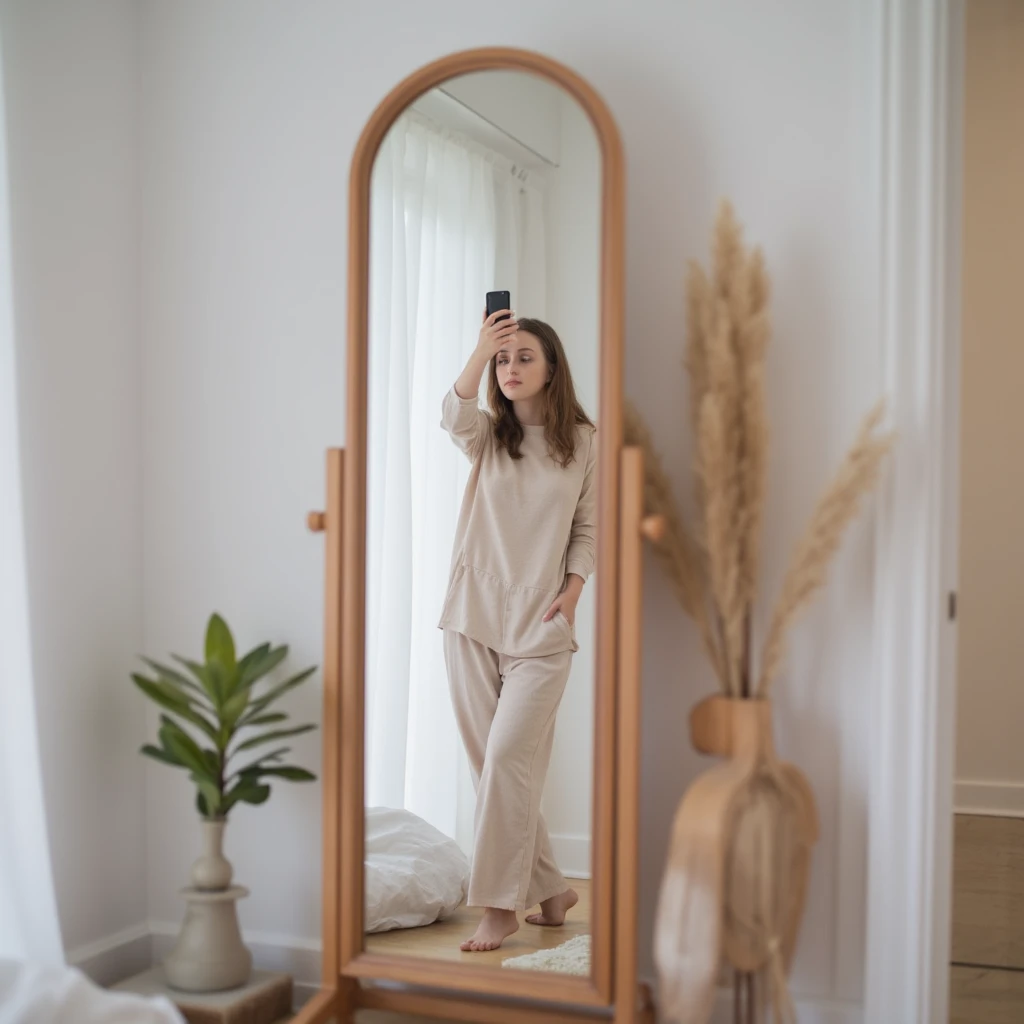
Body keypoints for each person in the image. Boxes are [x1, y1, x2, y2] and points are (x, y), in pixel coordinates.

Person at [437, 308, 597, 952]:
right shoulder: (486, 437)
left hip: (542, 624)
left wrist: (575, 590)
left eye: (524, 356)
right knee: (496, 769)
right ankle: (553, 890)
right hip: (472, 616)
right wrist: (480, 350)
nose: (511, 369)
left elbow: (588, 528)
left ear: (552, 367)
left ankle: (499, 906)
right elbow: (452, 413)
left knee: (508, 760)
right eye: (504, 359)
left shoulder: (585, 441)